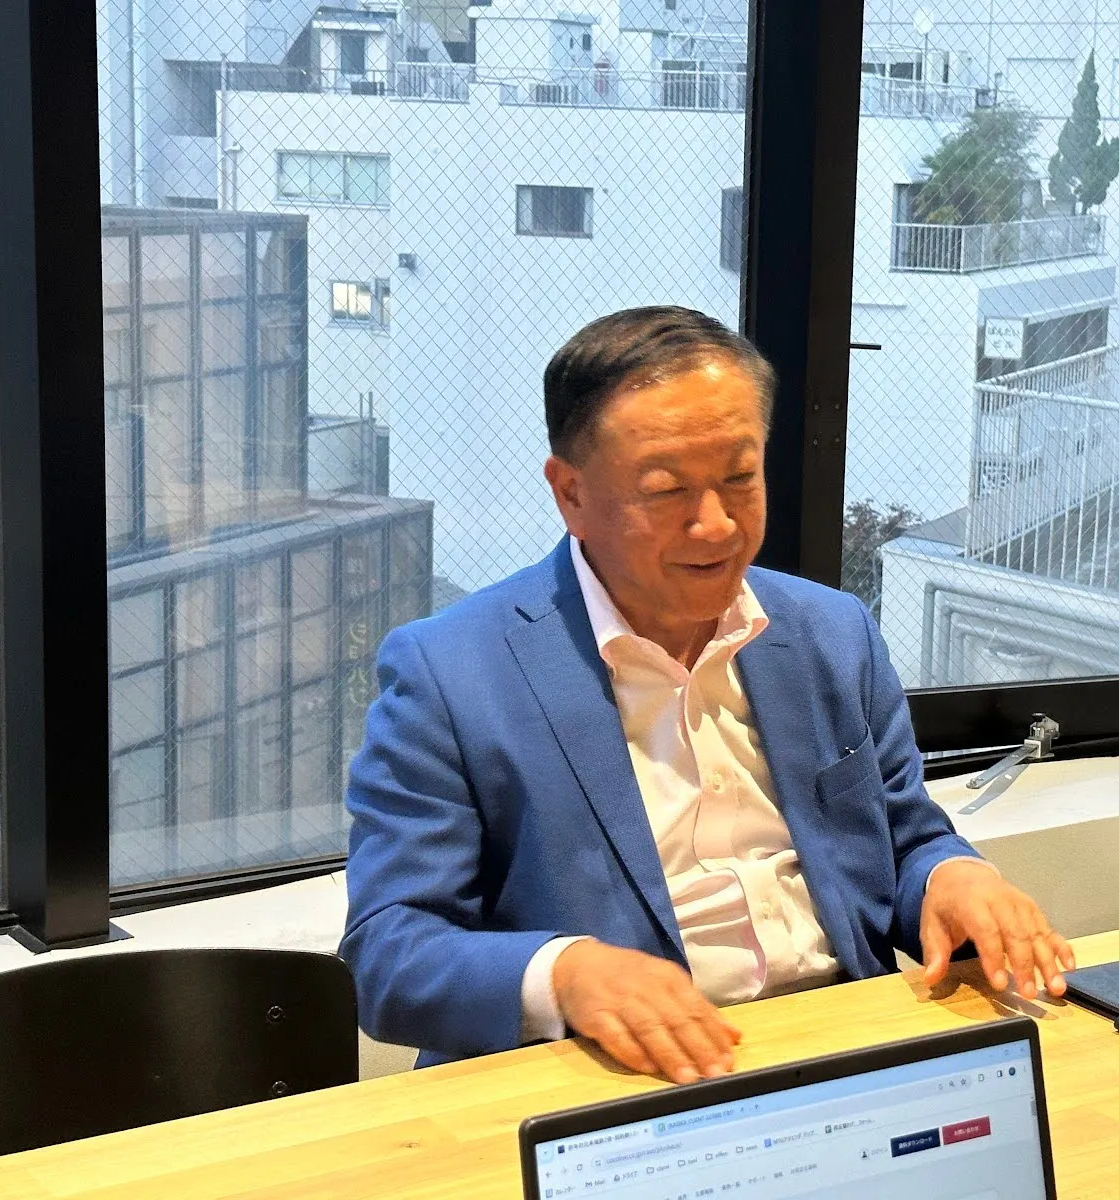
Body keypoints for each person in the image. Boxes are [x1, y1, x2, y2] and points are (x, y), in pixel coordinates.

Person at [340, 306, 1075, 1079]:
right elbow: (388, 954)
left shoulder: (831, 634)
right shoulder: (451, 672)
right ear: (571, 494)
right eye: (666, 490)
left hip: (842, 1048)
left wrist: (953, 877)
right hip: (612, 1081)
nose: (717, 525)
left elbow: (903, 840)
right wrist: (566, 974)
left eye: (740, 478)